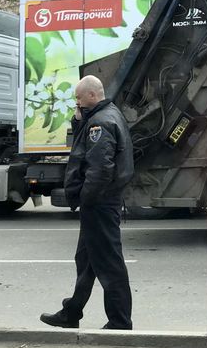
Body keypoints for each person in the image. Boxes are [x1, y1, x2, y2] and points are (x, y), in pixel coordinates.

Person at [40, 75, 135, 330]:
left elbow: (100, 169)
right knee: (86, 261)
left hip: (99, 205)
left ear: (92, 96)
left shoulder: (100, 125)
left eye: (78, 100)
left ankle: (120, 322)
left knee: (109, 264)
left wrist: (86, 199)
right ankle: (72, 312)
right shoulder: (104, 116)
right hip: (101, 203)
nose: (77, 105)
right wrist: (78, 119)